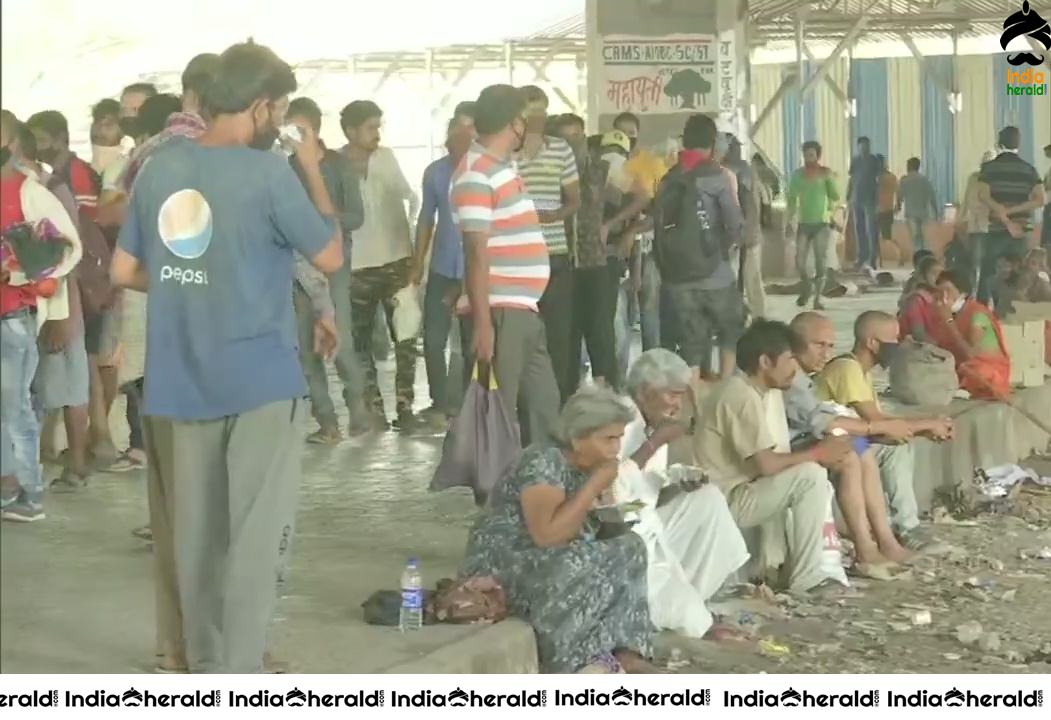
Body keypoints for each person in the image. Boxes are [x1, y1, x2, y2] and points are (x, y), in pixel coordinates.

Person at [110, 40, 344, 673]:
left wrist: (198, 282)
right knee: (251, 539)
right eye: (280, 110)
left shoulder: (159, 167)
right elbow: (328, 255)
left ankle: (198, 663)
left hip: (179, 378)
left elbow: (125, 268)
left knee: (192, 537)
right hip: (260, 380)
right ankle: (234, 675)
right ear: (262, 107)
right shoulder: (269, 173)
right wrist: (314, 168)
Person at [461, 386, 657, 674]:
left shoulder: (591, 464)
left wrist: (606, 502)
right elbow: (546, 536)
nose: (616, 449)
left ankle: (626, 650)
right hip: (505, 560)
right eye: (608, 439)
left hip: (552, 551)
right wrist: (594, 485)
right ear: (578, 438)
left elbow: (591, 523)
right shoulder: (543, 462)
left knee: (631, 547)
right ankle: (568, 660)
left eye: (619, 438)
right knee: (576, 560)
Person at [694, 320, 850, 595]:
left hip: (738, 492)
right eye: (790, 359)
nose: (795, 369)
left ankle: (797, 569)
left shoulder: (753, 393)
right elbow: (766, 465)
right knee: (810, 476)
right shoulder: (739, 394)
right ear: (766, 361)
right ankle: (808, 578)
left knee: (810, 471)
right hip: (723, 501)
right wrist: (818, 453)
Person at [450, 84, 560, 445]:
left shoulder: (500, 168)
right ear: (516, 124)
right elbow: (475, 251)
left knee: (544, 409)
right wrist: (483, 324)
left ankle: (538, 492)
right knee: (497, 416)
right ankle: (496, 497)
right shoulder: (475, 173)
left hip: (523, 311)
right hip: (499, 312)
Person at [615, 349, 750, 635]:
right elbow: (612, 489)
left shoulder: (653, 423)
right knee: (688, 620)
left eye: (680, 396)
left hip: (647, 523)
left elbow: (647, 492)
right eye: (672, 395)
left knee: (708, 498)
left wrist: (677, 484)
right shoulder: (621, 418)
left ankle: (693, 595)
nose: (677, 405)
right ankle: (683, 610)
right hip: (621, 535)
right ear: (644, 391)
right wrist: (655, 442)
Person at [0, 113, 83, 523]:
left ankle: (30, 494)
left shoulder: (29, 192)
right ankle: (9, 485)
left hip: (13, 313)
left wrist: (18, 273)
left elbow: (67, 248)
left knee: (14, 407)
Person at [785, 313, 913, 574]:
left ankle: (885, 541)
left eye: (830, 346)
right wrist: (915, 426)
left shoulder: (804, 376)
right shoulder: (795, 377)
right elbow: (826, 422)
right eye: (819, 345)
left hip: (815, 439)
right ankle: (866, 549)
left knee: (859, 448)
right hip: (788, 452)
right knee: (851, 455)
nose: (826, 353)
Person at [814, 311, 952, 551]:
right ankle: (905, 529)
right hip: (828, 442)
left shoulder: (861, 372)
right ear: (872, 343)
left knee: (895, 445)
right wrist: (927, 424)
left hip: (851, 439)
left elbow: (883, 426)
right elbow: (876, 423)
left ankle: (900, 528)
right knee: (890, 450)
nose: (898, 346)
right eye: (894, 340)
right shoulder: (847, 368)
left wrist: (925, 427)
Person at [285, 96, 370, 442]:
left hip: (334, 266)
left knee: (342, 344)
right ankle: (328, 422)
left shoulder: (338, 166)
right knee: (306, 350)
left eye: (297, 128)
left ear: (315, 128)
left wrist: (323, 221)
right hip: (295, 269)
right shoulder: (283, 168)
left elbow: (357, 216)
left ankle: (359, 413)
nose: (290, 135)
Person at [340, 100, 420, 431]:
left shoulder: (386, 158)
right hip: (355, 266)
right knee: (360, 342)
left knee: (405, 336)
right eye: (371, 127)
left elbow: (410, 195)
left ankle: (405, 406)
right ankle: (373, 408)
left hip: (397, 261)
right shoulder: (335, 164)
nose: (377, 133)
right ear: (350, 131)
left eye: (378, 126)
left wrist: (412, 236)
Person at [652, 113, 745, 382]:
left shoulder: (669, 177)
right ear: (712, 142)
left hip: (676, 277)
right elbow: (734, 225)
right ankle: (726, 389)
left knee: (691, 343)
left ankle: (693, 401)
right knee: (730, 329)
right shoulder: (717, 176)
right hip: (714, 273)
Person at [516, 86, 580, 404]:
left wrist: (556, 214)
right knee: (520, 337)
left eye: (542, 110)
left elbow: (574, 200)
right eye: (531, 111)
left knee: (558, 335)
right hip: (517, 258)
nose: (537, 118)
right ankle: (527, 403)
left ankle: (561, 401)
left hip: (554, 253)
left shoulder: (561, 150)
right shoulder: (506, 153)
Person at [412, 106, 476, 418]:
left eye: (468, 131)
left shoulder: (485, 173)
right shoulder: (435, 172)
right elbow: (426, 218)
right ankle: (439, 402)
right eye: (456, 131)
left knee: (470, 341)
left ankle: (468, 404)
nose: (461, 138)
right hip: (441, 268)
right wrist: (417, 262)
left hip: (474, 270)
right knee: (434, 338)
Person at [552, 117, 618, 392]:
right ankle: (567, 397)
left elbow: (641, 195)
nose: (571, 143)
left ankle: (608, 394)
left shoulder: (602, 170)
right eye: (565, 138)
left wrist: (612, 226)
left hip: (595, 263)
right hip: (562, 263)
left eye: (577, 136)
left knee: (600, 333)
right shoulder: (550, 173)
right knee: (565, 336)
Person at [976, 126, 1045, 303]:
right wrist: (1014, 211)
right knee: (1019, 272)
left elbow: (983, 195)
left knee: (989, 270)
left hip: (996, 228)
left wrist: (1002, 212)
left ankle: (982, 310)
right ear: (1019, 144)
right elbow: (1040, 199)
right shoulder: (1029, 169)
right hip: (1021, 229)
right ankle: (1014, 310)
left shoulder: (989, 169)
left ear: (998, 143)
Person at [934, 269, 1011, 399]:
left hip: (988, 369)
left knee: (975, 371)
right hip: (961, 367)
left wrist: (948, 322)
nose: (943, 296)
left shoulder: (977, 314)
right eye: (940, 292)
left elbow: (970, 354)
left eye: (948, 291)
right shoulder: (950, 315)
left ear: (962, 293)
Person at [786, 140, 839, 310]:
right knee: (799, 261)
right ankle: (807, 285)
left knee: (820, 262)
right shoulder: (797, 175)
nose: (809, 158)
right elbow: (792, 199)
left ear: (818, 155)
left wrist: (831, 213)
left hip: (821, 223)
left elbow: (835, 196)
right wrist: (788, 220)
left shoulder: (825, 174)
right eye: (806, 155)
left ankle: (817, 299)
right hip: (804, 222)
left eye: (812, 154)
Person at [723, 135, 766, 318]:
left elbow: (746, 204)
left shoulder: (738, 169)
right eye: (733, 147)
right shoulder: (739, 168)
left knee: (749, 278)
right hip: (742, 232)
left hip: (745, 232)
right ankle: (744, 315)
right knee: (742, 279)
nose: (737, 150)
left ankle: (757, 316)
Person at [957, 150, 996, 290]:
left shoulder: (995, 179)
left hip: (992, 226)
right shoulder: (973, 178)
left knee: (990, 263)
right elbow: (966, 199)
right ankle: (973, 290)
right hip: (976, 225)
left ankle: (986, 292)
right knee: (975, 262)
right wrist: (960, 219)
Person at [847, 136, 881, 271]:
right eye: (861, 146)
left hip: (870, 199)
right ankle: (861, 257)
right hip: (857, 198)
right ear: (858, 147)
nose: (864, 148)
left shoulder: (874, 160)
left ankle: (873, 258)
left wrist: (878, 199)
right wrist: (848, 196)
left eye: (866, 146)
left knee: (871, 230)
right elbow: (852, 178)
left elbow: (879, 180)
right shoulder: (855, 161)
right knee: (859, 229)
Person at [898, 254, 945, 343]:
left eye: (942, 273)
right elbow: (918, 334)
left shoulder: (942, 296)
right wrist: (940, 346)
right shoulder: (916, 300)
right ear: (923, 278)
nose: (939, 277)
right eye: (934, 273)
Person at [896, 157, 939, 253]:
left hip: (911, 213)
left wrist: (897, 207)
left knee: (915, 239)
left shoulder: (905, 180)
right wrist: (936, 213)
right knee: (923, 237)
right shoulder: (924, 180)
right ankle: (925, 256)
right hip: (923, 213)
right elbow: (932, 197)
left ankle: (918, 257)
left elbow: (899, 196)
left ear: (909, 166)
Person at [876, 154, 898, 253]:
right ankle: (899, 252)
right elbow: (897, 192)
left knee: (872, 236)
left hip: (875, 210)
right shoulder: (892, 177)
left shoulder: (876, 178)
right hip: (888, 210)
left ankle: (874, 258)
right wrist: (898, 205)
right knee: (887, 237)